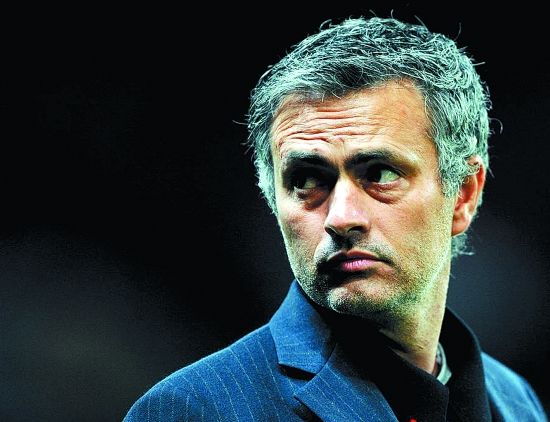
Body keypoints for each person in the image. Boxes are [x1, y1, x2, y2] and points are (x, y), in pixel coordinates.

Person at [123, 16, 548, 421]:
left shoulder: (516, 402)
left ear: (463, 195)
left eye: (380, 174)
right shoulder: (191, 410)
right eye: (308, 180)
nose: (341, 218)